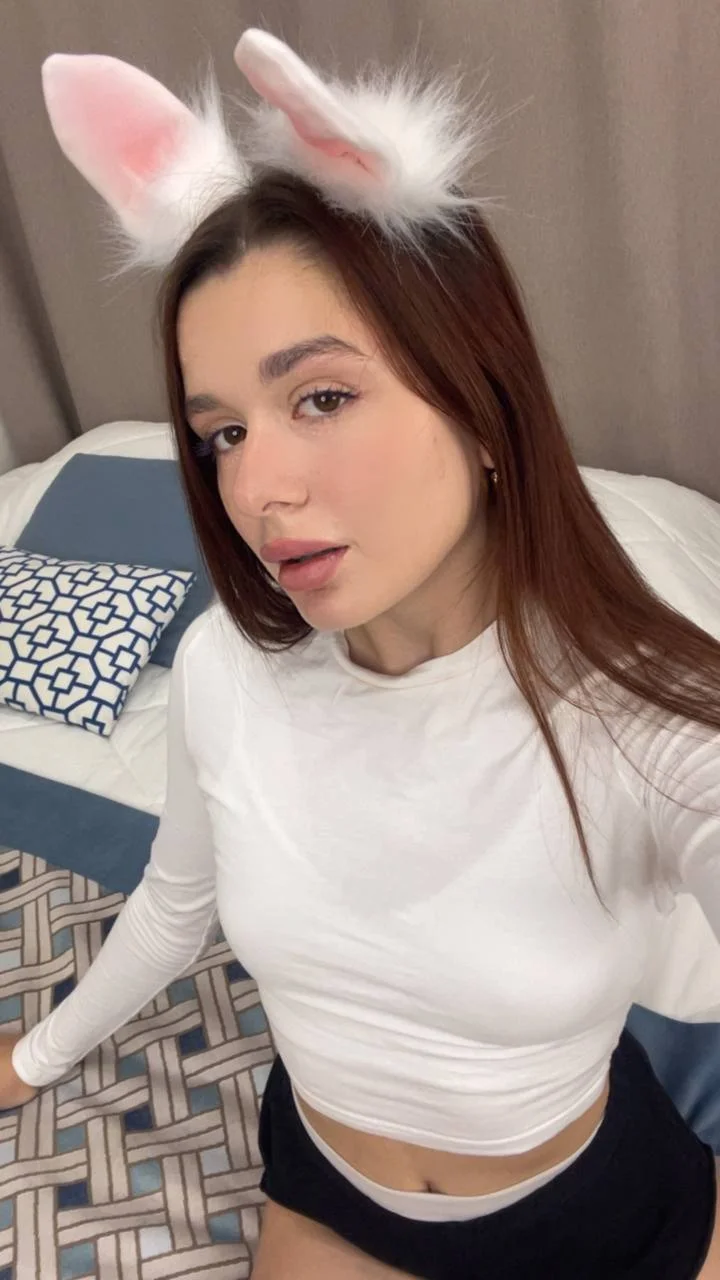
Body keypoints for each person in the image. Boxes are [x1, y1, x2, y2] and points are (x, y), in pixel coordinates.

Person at [2, 28, 719, 1278]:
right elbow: (177, 901)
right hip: (329, 1181)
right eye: (220, 432)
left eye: (321, 396)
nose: (254, 487)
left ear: (482, 402)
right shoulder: (224, 669)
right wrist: (30, 1058)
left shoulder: (645, 715)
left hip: (596, 1205)